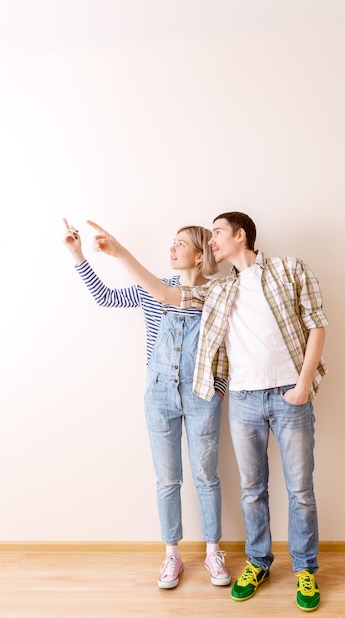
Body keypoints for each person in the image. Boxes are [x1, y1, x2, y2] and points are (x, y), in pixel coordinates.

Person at [79, 212, 328, 612]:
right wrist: (112, 251)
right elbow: (163, 294)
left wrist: (302, 386)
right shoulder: (220, 291)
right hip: (242, 400)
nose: (212, 241)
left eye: (216, 233)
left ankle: (305, 570)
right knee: (251, 491)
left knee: (299, 490)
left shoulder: (289, 269)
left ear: (240, 235)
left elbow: (317, 324)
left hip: (286, 395)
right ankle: (257, 562)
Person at [62, 218, 231, 590]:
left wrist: (218, 388)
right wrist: (78, 256)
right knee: (167, 479)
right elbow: (105, 297)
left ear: (199, 254)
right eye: (172, 242)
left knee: (206, 476)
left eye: (180, 243)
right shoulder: (153, 289)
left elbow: (229, 348)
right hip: (159, 394)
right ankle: (172, 554)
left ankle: (213, 552)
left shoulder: (217, 294)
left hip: (201, 394)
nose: (172, 248)